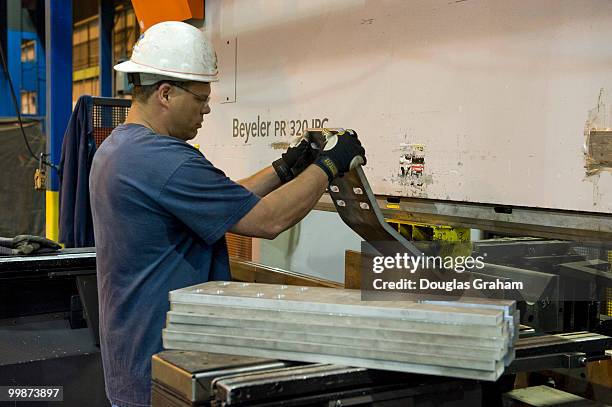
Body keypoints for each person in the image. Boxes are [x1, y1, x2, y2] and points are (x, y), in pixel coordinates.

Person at [89, 21, 366, 407]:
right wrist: (331, 164)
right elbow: (266, 221)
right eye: (200, 98)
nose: (207, 108)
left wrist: (285, 167)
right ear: (166, 93)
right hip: (164, 368)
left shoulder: (120, 148)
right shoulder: (163, 159)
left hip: (133, 359)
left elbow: (222, 201)